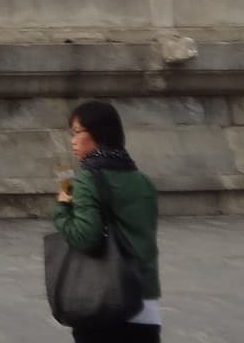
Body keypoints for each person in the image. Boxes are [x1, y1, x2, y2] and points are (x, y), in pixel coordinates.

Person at [52, 99, 162, 340]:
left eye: (78, 132)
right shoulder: (142, 181)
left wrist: (62, 209)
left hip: (105, 299)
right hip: (145, 298)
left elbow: (86, 237)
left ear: (99, 133)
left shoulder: (86, 181)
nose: (73, 141)